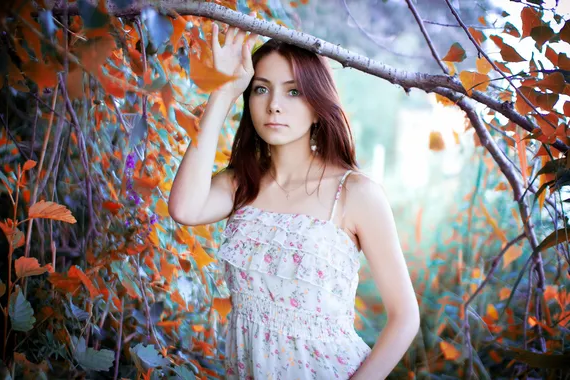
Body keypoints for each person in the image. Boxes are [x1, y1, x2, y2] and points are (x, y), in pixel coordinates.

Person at [168, 20, 420, 380]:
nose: (273, 106)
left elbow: (405, 317)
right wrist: (222, 91)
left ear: (318, 104)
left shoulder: (354, 193)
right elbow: (184, 209)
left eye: (293, 92)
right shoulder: (242, 183)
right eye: (260, 89)